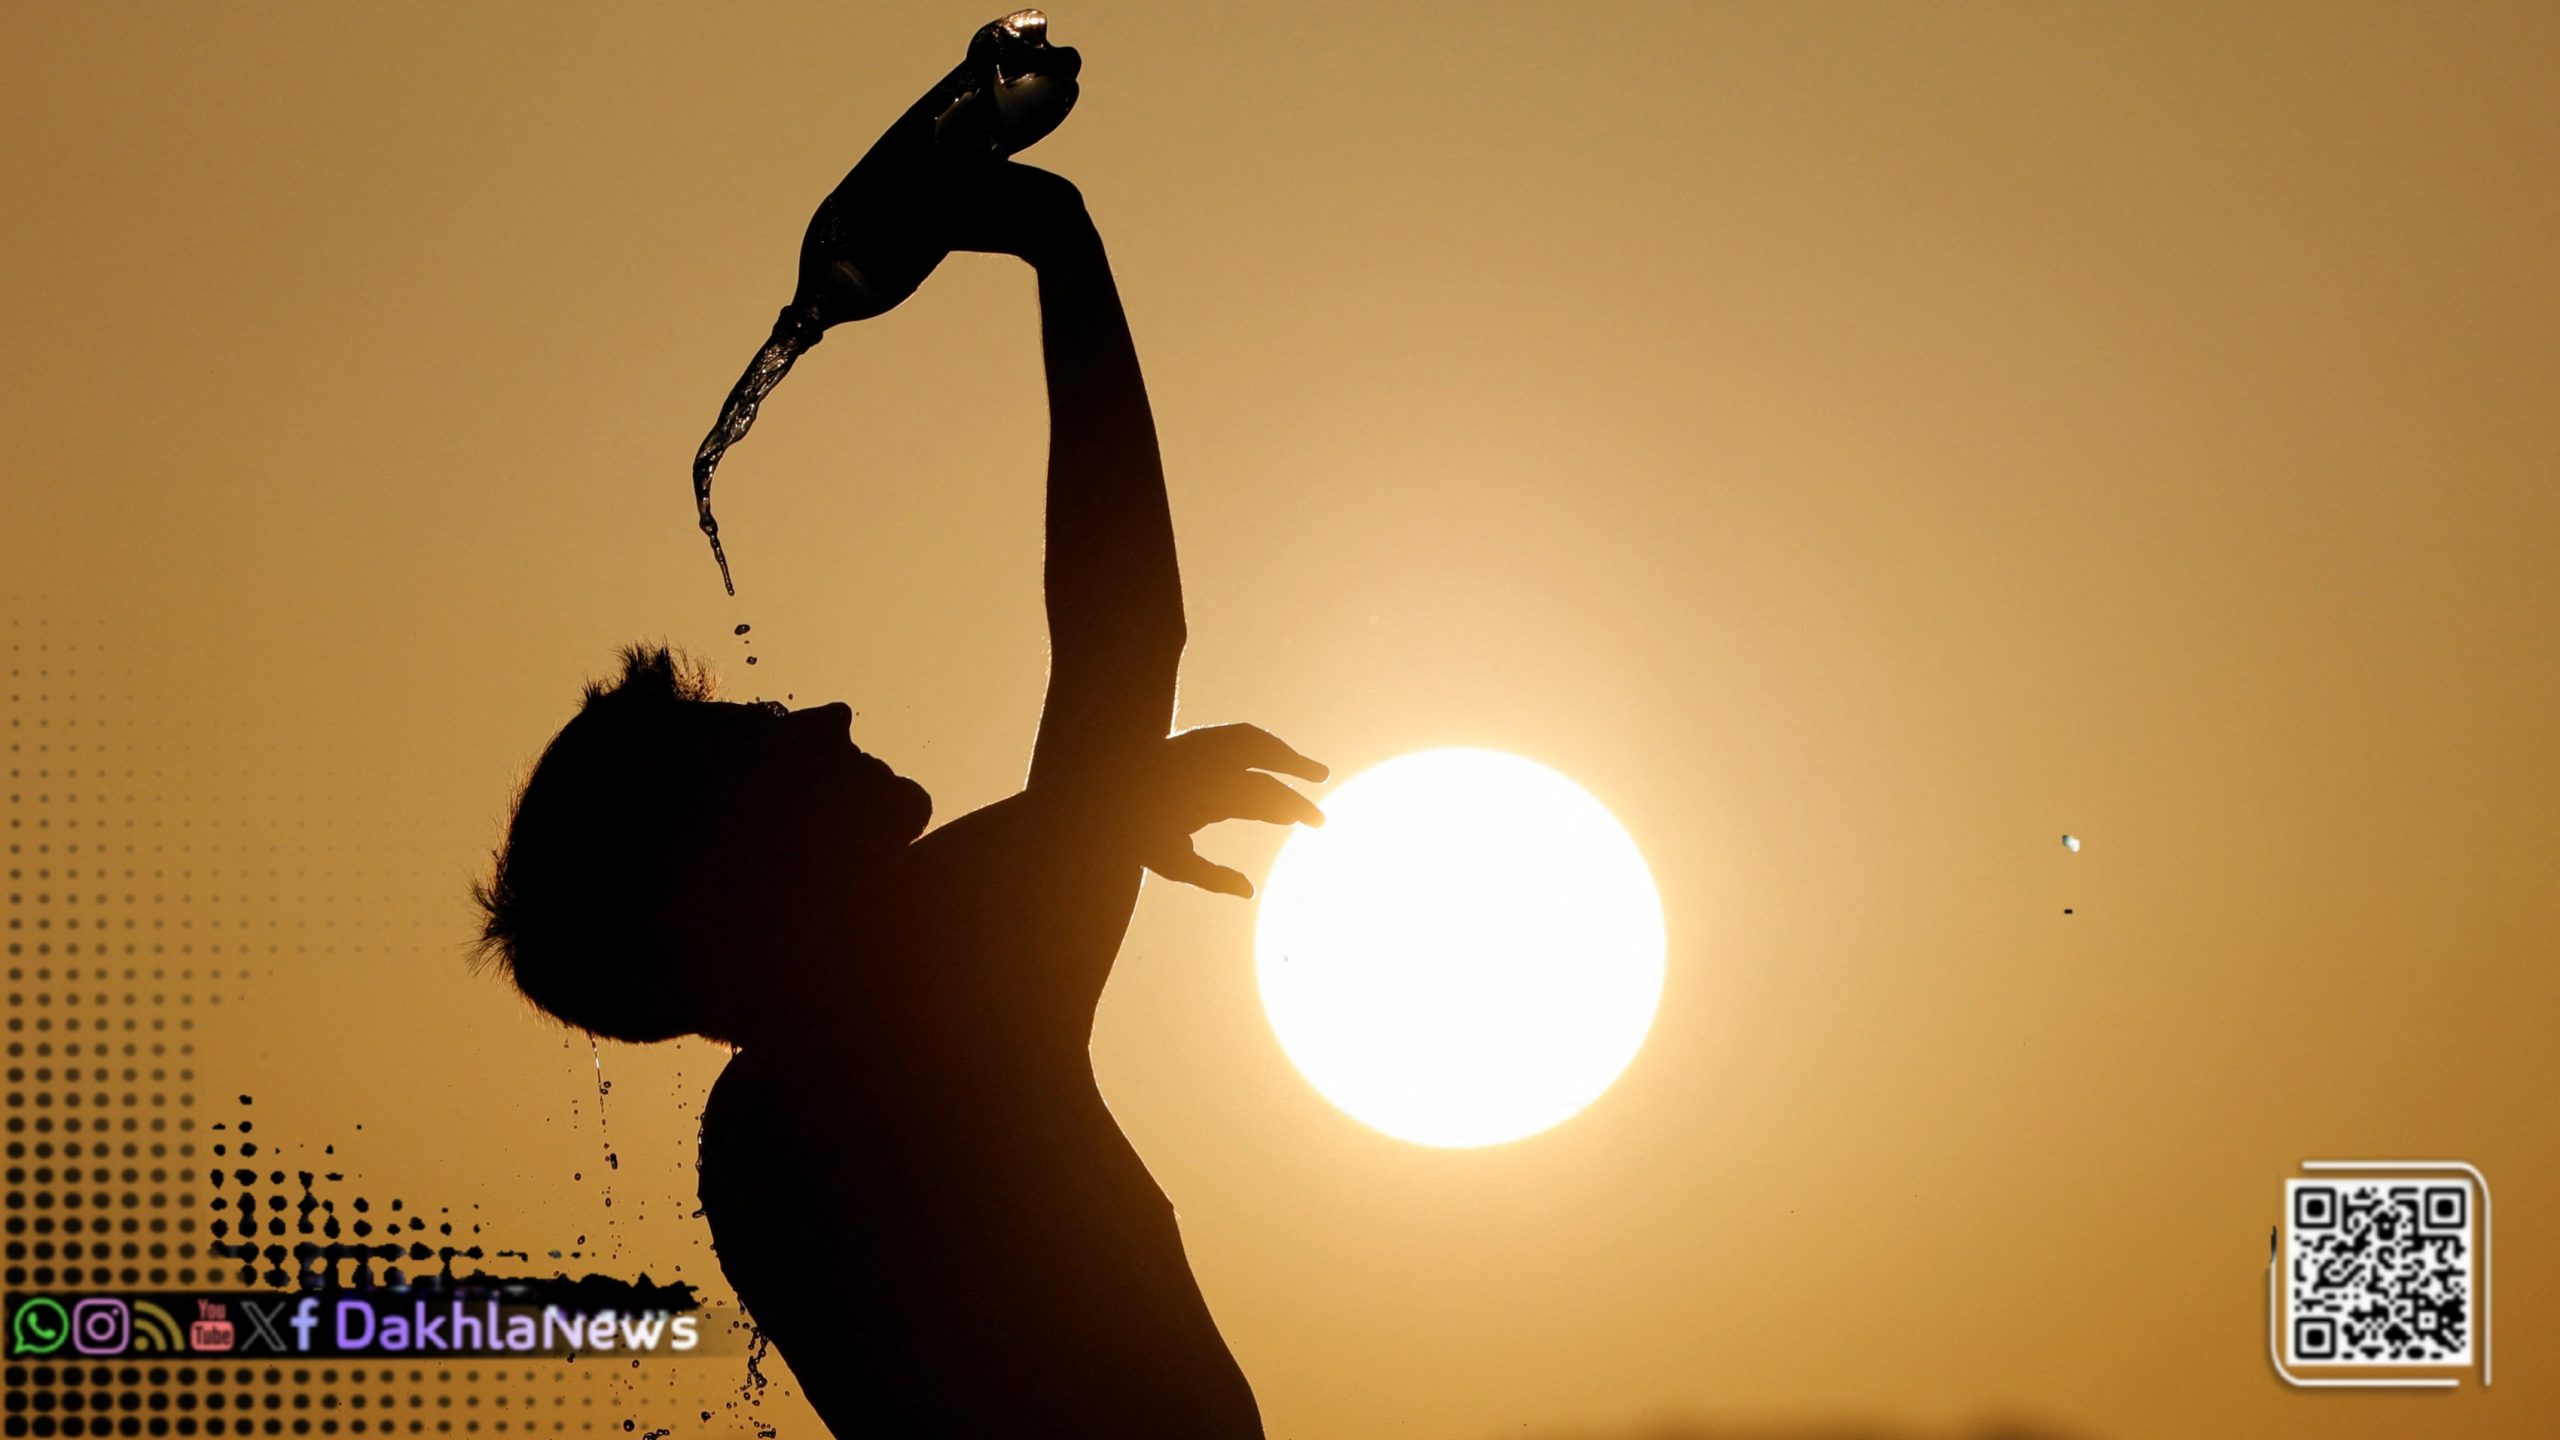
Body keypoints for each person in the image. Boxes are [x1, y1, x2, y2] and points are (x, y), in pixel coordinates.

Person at [473, 161, 1319, 1436]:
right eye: (766, 738)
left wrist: (1095, 805)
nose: (826, 715)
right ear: (735, 869)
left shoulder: (785, 1109)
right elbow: (1122, 638)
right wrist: (1059, 246)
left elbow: (1107, 689)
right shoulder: (913, 1023)